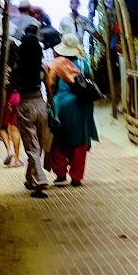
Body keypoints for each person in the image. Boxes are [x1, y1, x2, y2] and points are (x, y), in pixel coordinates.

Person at [47, 32, 98, 186]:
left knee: (59, 137)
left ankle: (61, 173)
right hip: (82, 104)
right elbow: (91, 81)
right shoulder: (84, 64)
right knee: (80, 139)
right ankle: (76, 176)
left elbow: (50, 84)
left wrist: (50, 101)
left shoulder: (56, 64)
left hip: (61, 104)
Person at [8, 21, 51, 197]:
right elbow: (49, 89)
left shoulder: (17, 69)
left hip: (25, 105)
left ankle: (39, 181)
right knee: (38, 145)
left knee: (31, 146)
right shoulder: (42, 68)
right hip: (41, 104)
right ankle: (30, 178)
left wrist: (8, 102)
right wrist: (51, 107)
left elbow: (10, 87)